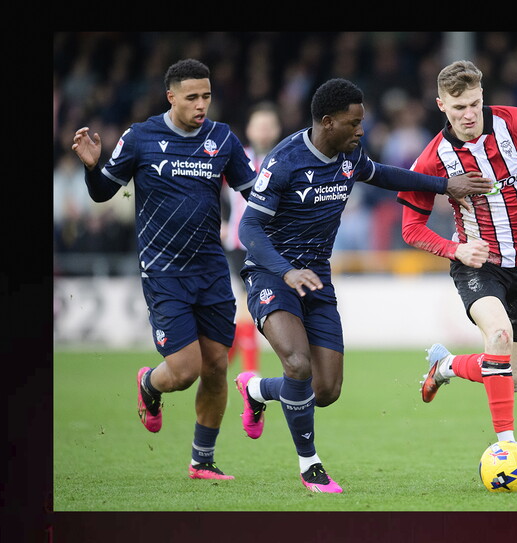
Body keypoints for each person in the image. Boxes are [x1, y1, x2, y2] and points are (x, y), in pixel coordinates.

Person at [232, 78, 493, 493]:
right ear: (327, 121)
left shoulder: (349, 157)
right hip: (272, 275)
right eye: (354, 124)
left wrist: (445, 186)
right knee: (297, 364)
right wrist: (285, 272)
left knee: (326, 389)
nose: (361, 131)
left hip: (317, 278)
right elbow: (249, 227)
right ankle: (310, 465)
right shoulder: (284, 161)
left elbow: (385, 176)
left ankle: (258, 390)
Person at [71, 58, 257, 480]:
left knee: (215, 366)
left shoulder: (222, 138)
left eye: (206, 96)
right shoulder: (141, 137)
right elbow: (103, 193)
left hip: (211, 269)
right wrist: (91, 166)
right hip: (164, 271)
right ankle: (149, 385)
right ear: (170, 96)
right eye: (192, 97)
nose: (201, 105)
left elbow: (253, 192)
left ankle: (202, 462)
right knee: (186, 371)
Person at [396, 60, 517, 446]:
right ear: (441, 107)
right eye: (458, 108)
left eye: (473, 104)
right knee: (499, 335)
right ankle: (507, 447)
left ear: (482, 95)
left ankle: (446, 366)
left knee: (514, 378)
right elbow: (410, 229)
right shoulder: (434, 158)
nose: (468, 115)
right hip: (478, 265)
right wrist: (456, 249)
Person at [221, 102, 283, 374]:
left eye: (269, 126)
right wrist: (221, 222)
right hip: (239, 243)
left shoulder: (283, 158)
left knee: (249, 307)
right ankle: (249, 374)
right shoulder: (237, 158)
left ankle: (222, 365)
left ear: (277, 129)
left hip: (272, 244)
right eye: (259, 125)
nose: (264, 131)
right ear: (249, 129)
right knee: (250, 304)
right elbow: (217, 193)